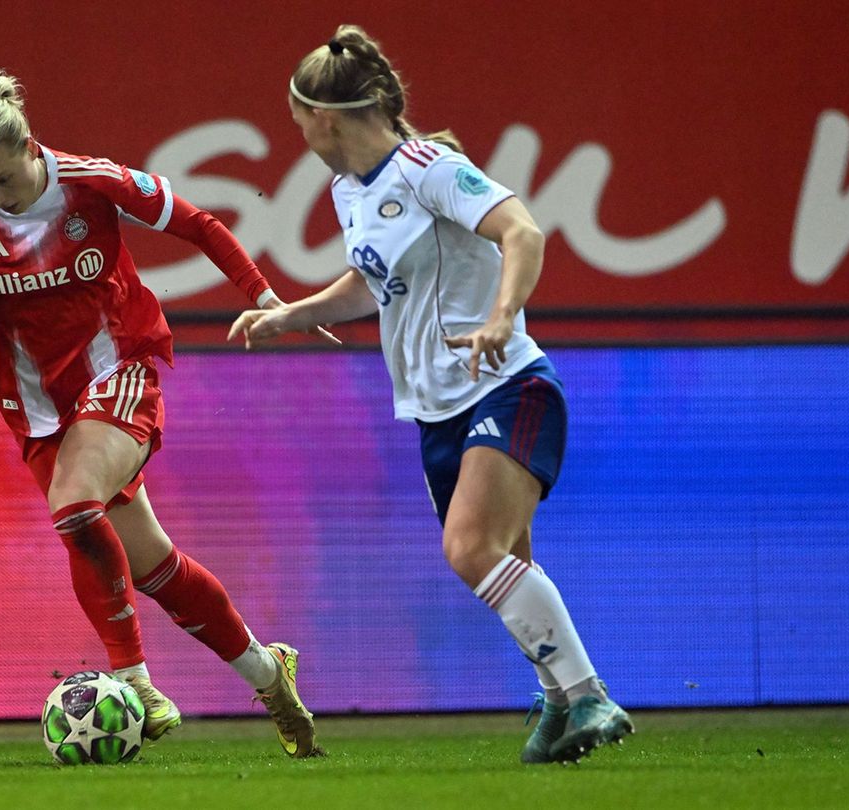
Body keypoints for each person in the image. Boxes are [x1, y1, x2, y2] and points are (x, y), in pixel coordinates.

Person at [0, 69, 322, 758]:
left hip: (120, 371)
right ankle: (268, 673)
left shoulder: (93, 181)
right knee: (151, 567)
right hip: (40, 412)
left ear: (30, 148)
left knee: (76, 504)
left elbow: (199, 224)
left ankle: (133, 681)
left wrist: (261, 295)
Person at [229, 25, 633, 764]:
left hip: (507, 384)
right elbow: (373, 280)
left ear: (325, 116)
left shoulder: (428, 166)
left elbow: (523, 232)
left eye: (297, 116)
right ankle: (555, 701)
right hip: (434, 411)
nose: (296, 130)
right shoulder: (350, 189)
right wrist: (294, 315)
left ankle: (588, 696)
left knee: (470, 547)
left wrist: (501, 316)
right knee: (504, 560)